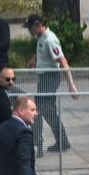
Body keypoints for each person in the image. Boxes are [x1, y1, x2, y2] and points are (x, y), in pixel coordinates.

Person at [26, 14, 77, 154]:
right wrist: (34, 59)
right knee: (48, 112)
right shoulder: (41, 37)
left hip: (50, 78)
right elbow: (42, 52)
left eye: (30, 28)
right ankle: (62, 141)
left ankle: (38, 144)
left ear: (38, 26)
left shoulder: (50, 40)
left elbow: (63, 62)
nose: (29, 32)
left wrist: (71, 85)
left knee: (37, 110)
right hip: (44, 78)